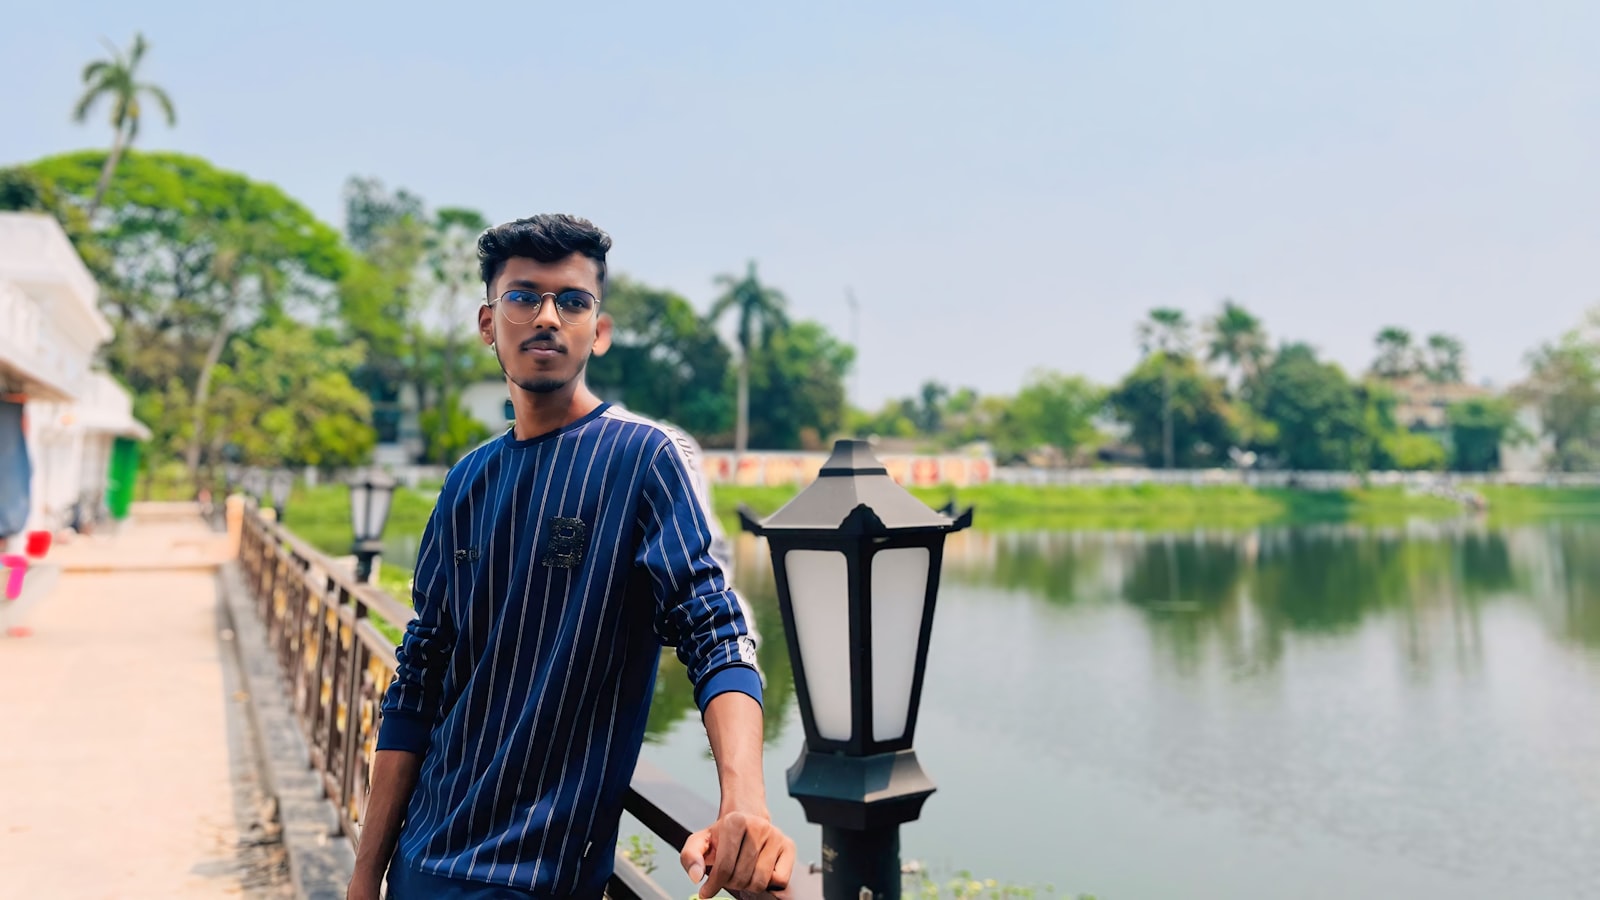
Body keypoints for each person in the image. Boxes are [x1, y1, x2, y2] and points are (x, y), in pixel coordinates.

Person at [349, 215, 794, 900]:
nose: (547, 317)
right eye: (524, 297)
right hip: (423, 862)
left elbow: (715, 634)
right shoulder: (467, 482)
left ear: (600, 329)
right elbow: (420, 678)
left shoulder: (642, 458)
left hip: (539, 878)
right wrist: (364, 874)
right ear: (488, 323)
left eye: (573, 301)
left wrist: (745, 803)